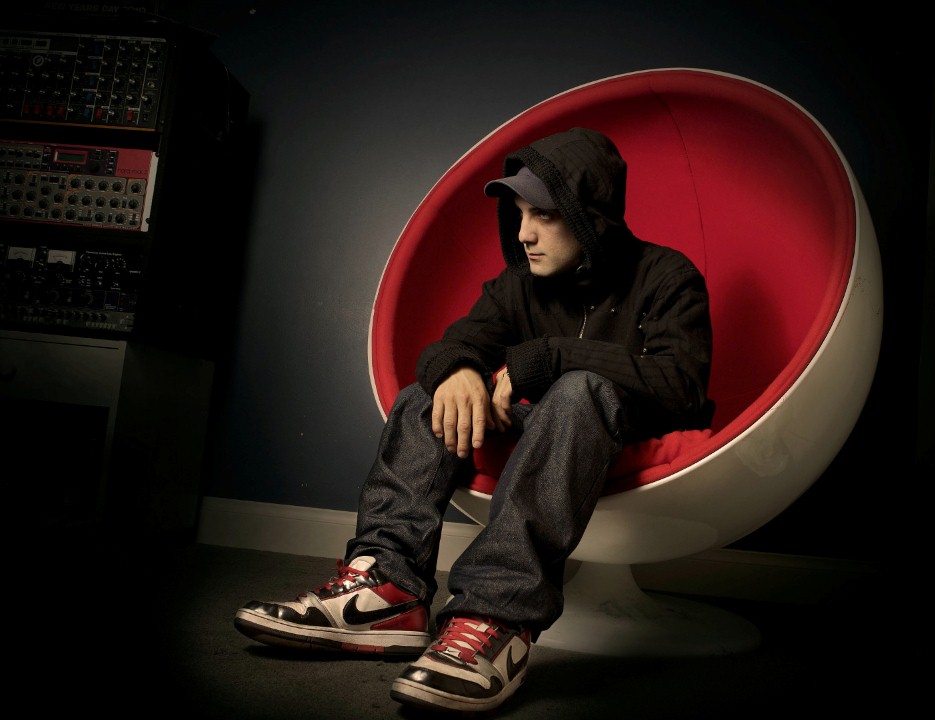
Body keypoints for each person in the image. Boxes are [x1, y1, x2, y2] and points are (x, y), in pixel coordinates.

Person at [234, 126, 714, 713]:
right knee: (425, 395)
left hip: (614, 436)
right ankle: (388, 591)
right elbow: (449, 345)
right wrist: (459, 369)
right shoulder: (518, 285)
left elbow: (684, 386)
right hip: (536, 435)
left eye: (544, 215)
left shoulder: (666, 276)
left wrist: (551, 359)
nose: (525, 233)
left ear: (589, 217)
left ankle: (496, 615)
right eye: (519, 215)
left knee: (578, 390)